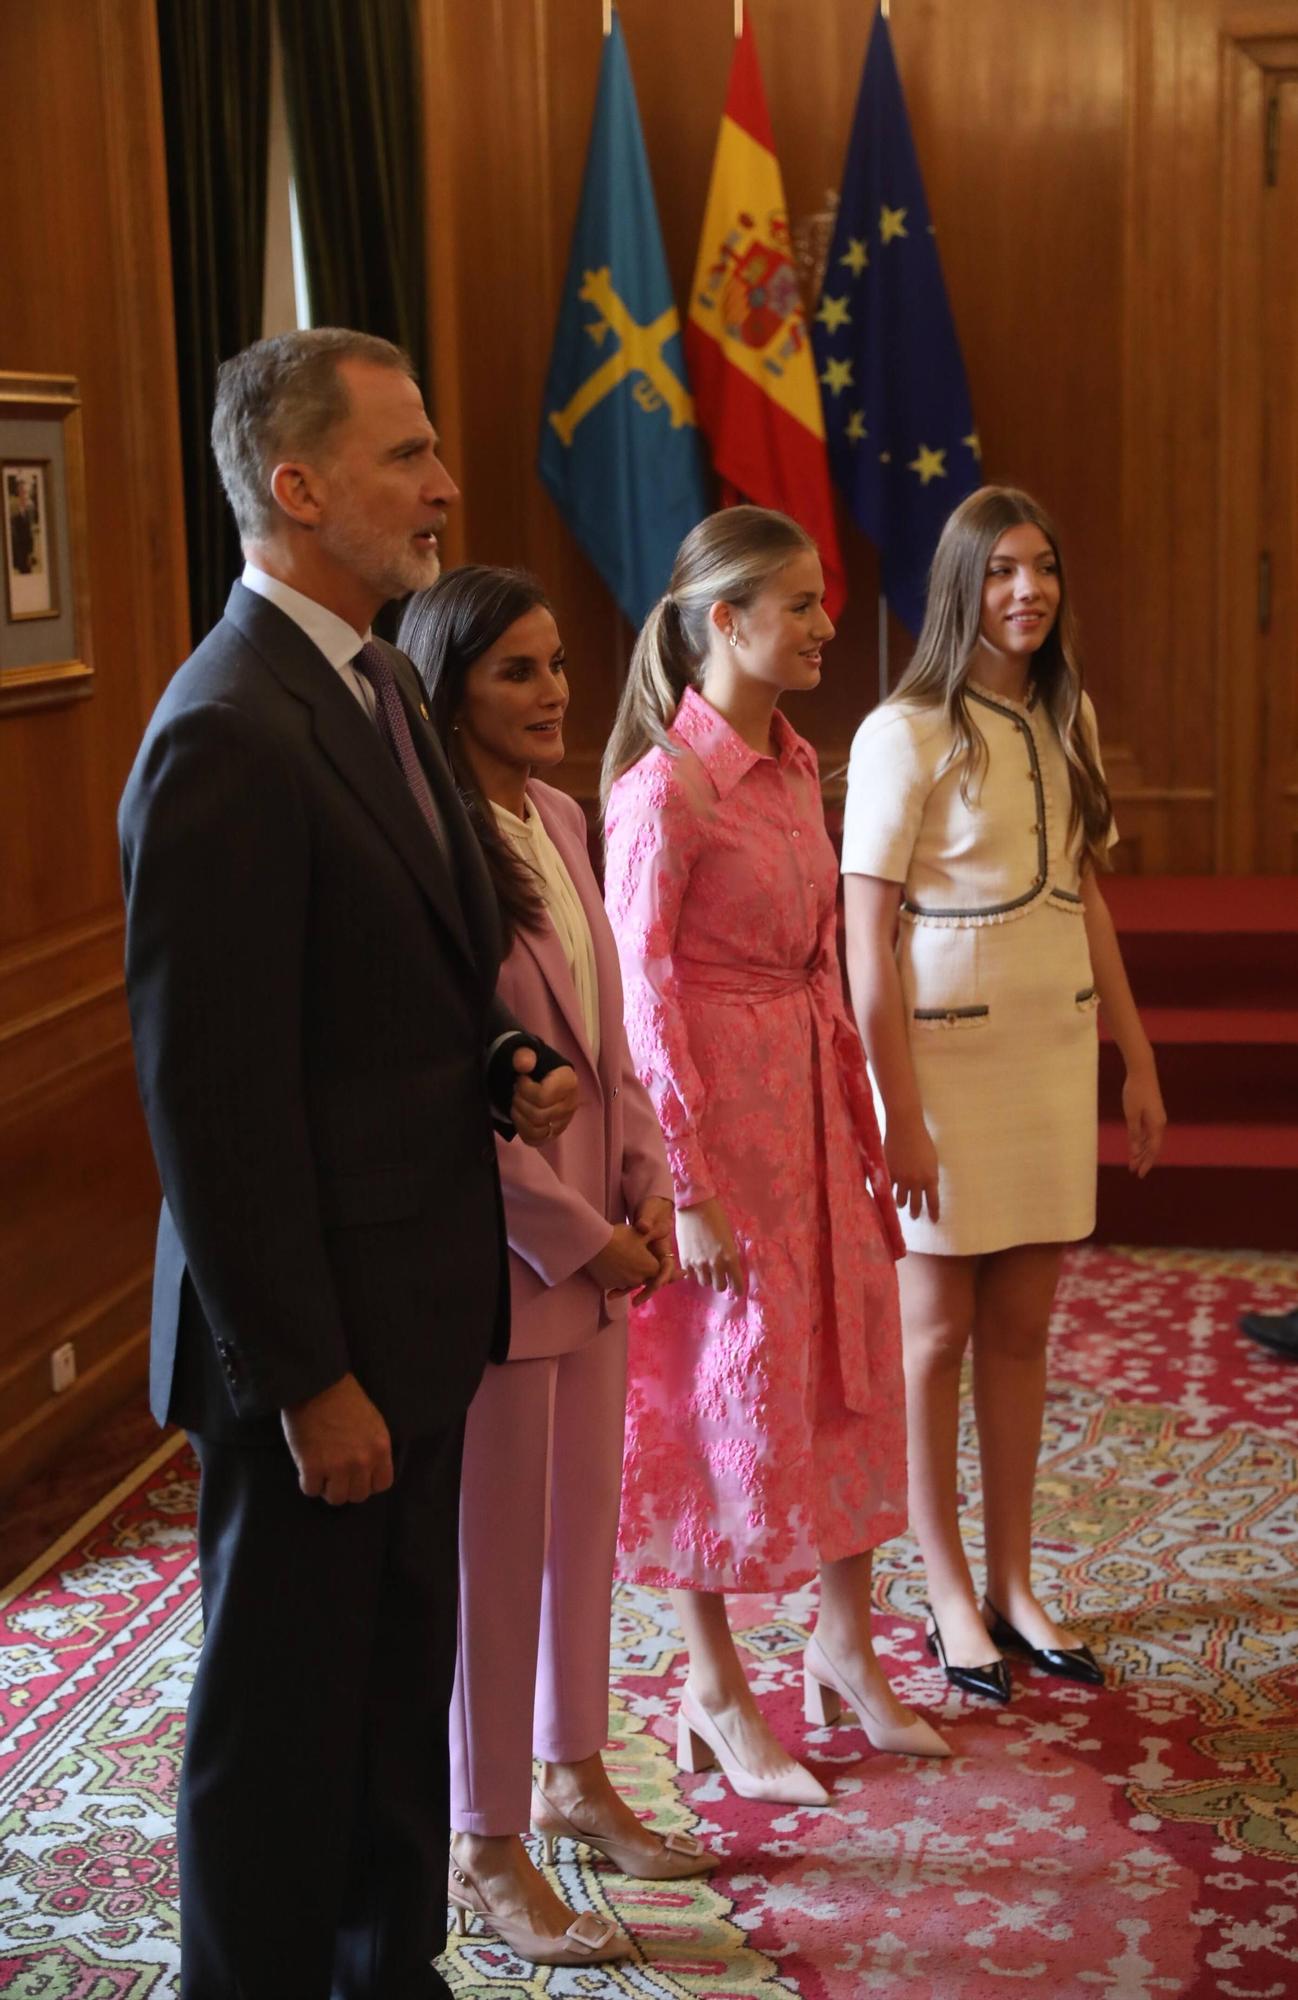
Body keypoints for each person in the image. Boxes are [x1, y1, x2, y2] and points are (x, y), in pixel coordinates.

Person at [118, 328, 578, 2000]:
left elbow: (377, 984)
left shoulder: (376, 679)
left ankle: (391, 1973)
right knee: (279, 1740)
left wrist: (497, 1060)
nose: (445, 484)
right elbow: (212, 1104)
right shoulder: (223, 730)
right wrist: (309, 1377)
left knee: (395, 1705)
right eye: (407, 457)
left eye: (435, 449)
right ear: (298, 489)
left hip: (421, 1308)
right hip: (311, 1356)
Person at [601, 505, 948, 1811]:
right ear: (720, 622)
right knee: (710, 1396)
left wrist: (867, 1118)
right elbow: (640, 1001)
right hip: (720, 1138)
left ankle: (843, 1653)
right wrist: (680, 1185)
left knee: (847, 1375)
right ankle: (709, 1686)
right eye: (796, 605)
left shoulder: (799, 766)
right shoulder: (662, 791)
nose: (821, 625)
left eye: (820, 601)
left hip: (811, 1111)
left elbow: (828, 958)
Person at [400, 565, 716, 1967]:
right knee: (495, 1556)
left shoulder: (563, 817)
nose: (551, 692)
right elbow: (458, 1093)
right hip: (511, 1257)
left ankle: (573, 1774)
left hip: (601, 1246)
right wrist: (585, 1237)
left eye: (554, 666)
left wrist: (644, 1189)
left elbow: (608, 1039)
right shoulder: (435, 847)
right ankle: (485, 1845)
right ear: (447, 681)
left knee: (581, 1534)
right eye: (515, 670)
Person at [842, 484, 1167, 1701]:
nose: (1024, 590)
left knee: (1024, 1329)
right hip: (939, 1066)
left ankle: (1014, 1579)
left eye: (1040, 568)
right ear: (957, 586)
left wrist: (1132, 1055)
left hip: (1045, 1054)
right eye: (998, 571)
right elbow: (860, 937)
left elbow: (1083, 894)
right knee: (931, 1335)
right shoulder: (902, 728)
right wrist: (897, 1111)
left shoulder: (1064, 711)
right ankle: (940, 1583)